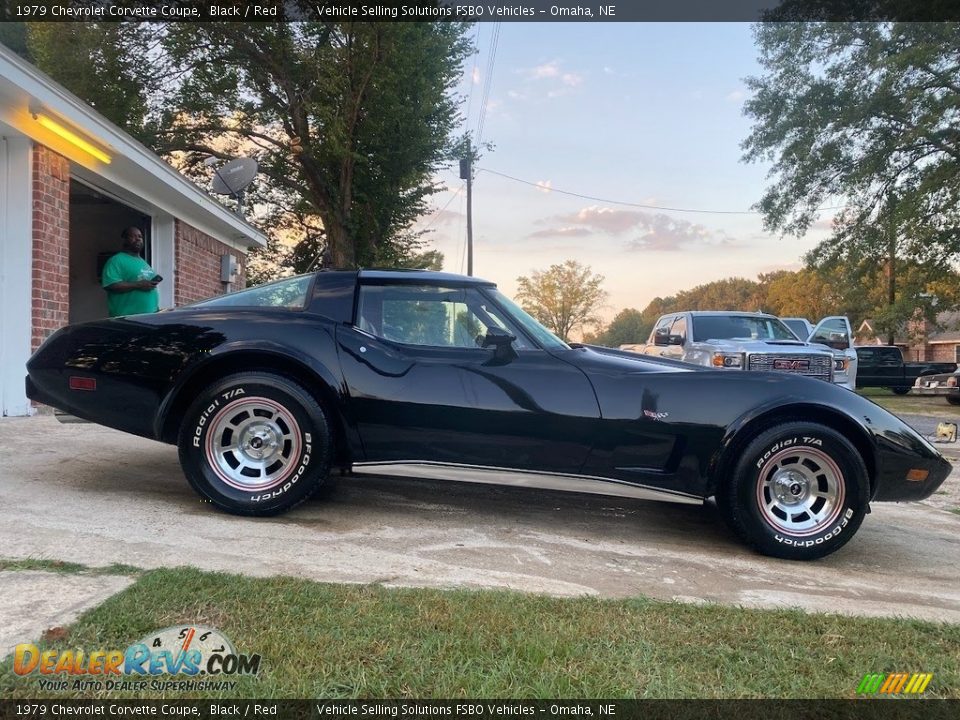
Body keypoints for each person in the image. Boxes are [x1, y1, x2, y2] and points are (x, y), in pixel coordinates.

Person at [101, 227, 161, 317]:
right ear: (124, 240)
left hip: (150, 318)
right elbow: (111, 285)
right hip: (127, 319)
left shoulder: (144, 263)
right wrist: (139, 285)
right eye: (133, 236)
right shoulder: (116, 260)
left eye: (140, 237)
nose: (138, 239)